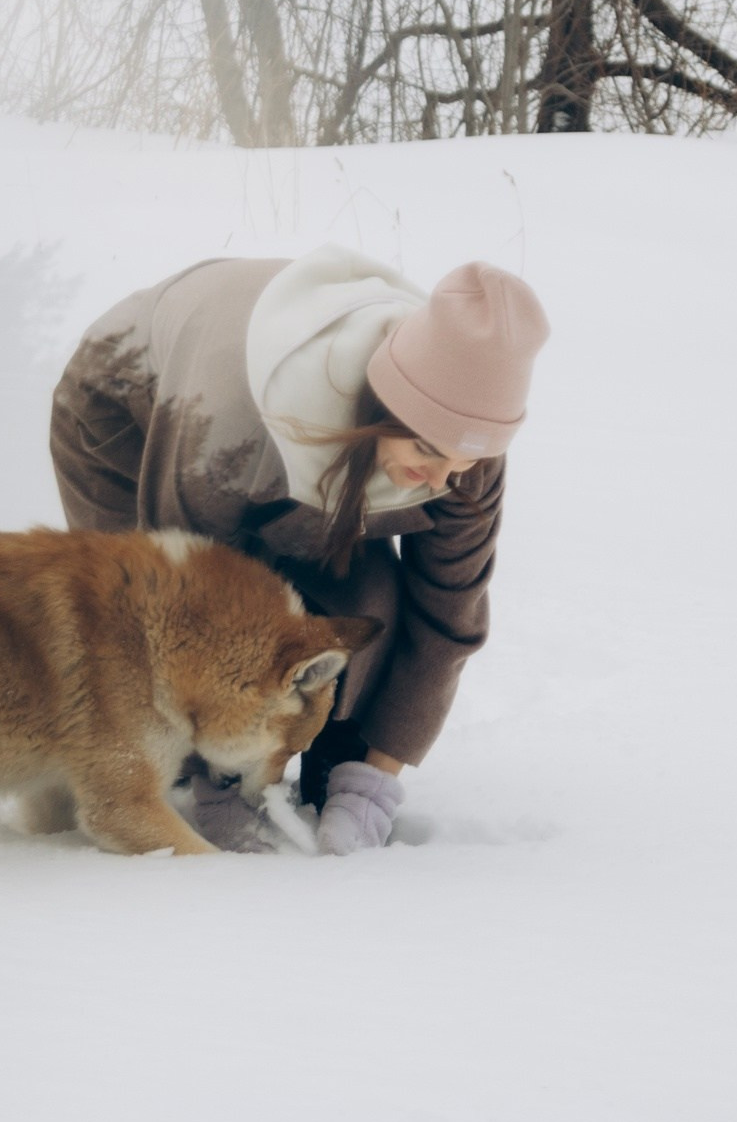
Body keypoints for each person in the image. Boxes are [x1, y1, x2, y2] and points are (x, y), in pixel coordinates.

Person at [48, 246, 548, 855]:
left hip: (329, 451)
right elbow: (188, 622)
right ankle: (208, 765)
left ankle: (332, 753)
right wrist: (225, 781)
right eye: (429, 453)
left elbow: (448, 616)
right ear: (384, 406)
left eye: (467, 463)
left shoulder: (460, 447)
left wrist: (373, 782)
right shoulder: (224, 434)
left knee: (368, 605)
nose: (446, 480)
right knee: (151, 628)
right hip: (134, 399)